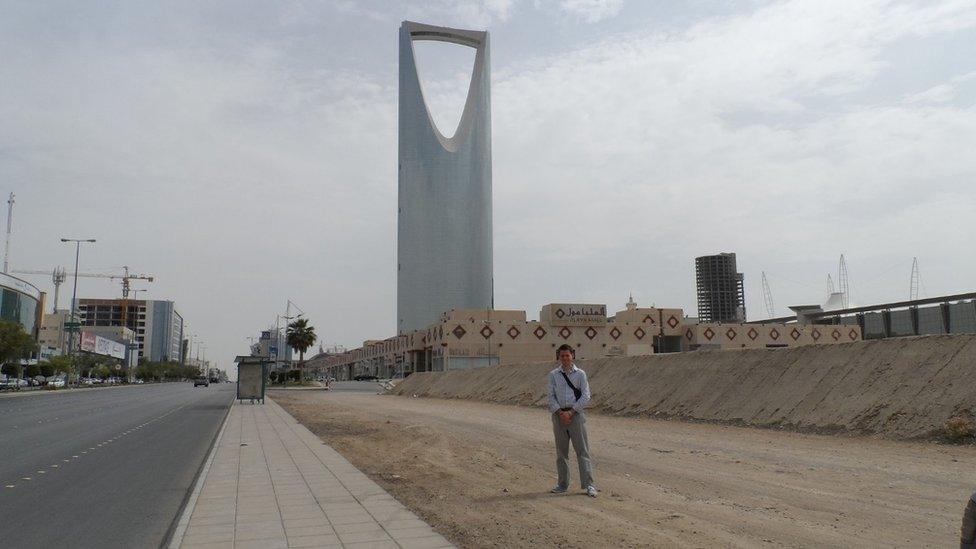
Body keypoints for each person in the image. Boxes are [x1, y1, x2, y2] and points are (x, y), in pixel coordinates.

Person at [548, 343, 597, 497]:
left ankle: (589, 484)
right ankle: (562, 484)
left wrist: (571, 412)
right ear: (558, 357)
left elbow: (586, 395)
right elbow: (551, 396)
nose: (565, 358)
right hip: (558, 416)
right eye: (562, 356)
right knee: (561, 452)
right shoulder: (553, 375)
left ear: (572, 355)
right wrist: (561, 413)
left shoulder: (580, 374)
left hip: (575, 415)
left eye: (567, 355)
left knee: (582, 451)